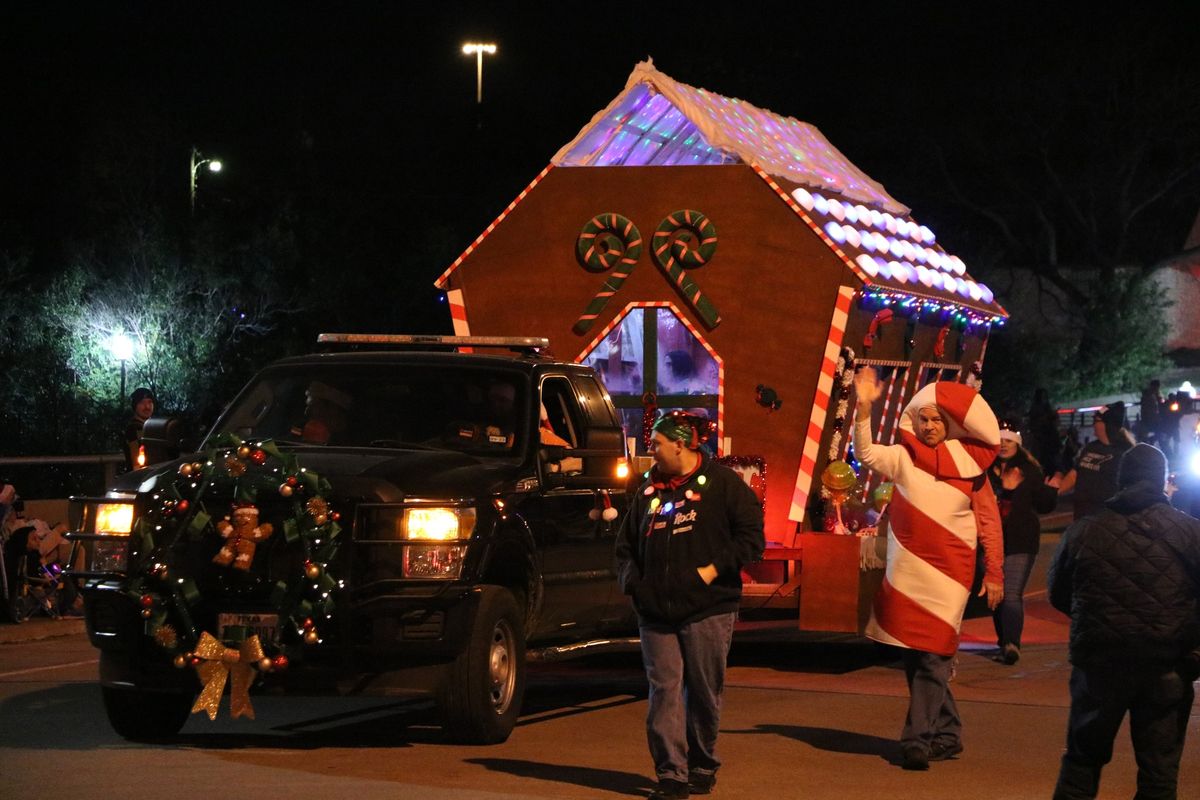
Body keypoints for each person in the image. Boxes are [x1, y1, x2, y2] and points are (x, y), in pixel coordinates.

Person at [852, 367, 1004, 770]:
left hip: (952, 575)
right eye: (925, 418)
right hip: (908, 573)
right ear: (914, 420)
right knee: (917, 657)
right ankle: (949, 734)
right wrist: (863, 409)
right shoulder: (903, 458)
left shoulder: (972, 469)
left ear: (950, 424)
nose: (931, 425)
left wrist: (995, 574)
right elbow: (865, 454)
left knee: (934, 655)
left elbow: (989, 523)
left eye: (938, 420)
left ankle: (916, 741)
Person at [615, 411, 765, 799]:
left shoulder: (723, 485)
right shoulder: (648, 491)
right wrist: (635, 584)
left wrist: (712, 571)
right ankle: (671, 774)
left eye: (657, 445)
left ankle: (701, 762)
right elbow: (625, 546)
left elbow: (751, 540)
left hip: (708, 608)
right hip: (655, 612)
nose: (651, 452)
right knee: (663, 689)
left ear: (680, 444)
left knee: (703, 690)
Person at [1047, 443, 1200, 800]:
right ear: (1162, 481)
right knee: (1158, 772)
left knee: (1082, 763)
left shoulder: (1085, 531)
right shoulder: (1190, 532)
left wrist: (1098, 617)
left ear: (1121, 480)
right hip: (1166, 663)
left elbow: (1059, 592)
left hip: (1099, 663)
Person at [987, 420, 1058, 665]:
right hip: (991, 539)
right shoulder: (985, 468)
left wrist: (1051, 491)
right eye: (1000, 439)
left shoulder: (1029, 470)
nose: (1004, 444)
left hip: (1021, 539)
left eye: (1009, 440)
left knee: (1012, 594)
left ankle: (1011, 644)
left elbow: (1043, 505)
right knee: (996, 594)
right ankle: (1003, 639)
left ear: (1017, 442)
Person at [1049, 402, 1135, 521]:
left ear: (1107, 424)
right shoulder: (1090, 447)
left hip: (1106, 519)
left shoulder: (1124, 453)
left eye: (1096, 420)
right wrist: (1054, 492)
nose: (1093, 424)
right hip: (1082, 515)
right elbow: (1075, 474)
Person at [1027, 387, 1063, 475]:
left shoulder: (1047, 407)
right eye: (1042, 396)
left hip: (1050, 438)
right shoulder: (1035, 409)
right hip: (1041, 439)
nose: (1044, 399)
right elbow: (1035, 423)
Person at [122, 387, 155, 471]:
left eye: (150, 402)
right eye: (142, 403)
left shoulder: (153, 427)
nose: (147, 406)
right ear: (135, 406)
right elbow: (136, 463)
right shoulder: (133, 428)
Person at [1139, 379, 1162, 444]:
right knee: (1159, 433)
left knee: (1159, 433)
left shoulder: (1153, 394)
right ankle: (1150, 443)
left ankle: (1150, 442)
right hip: (1150, 418)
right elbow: (1147, 408)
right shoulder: (1148, 395)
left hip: (1153, 418)